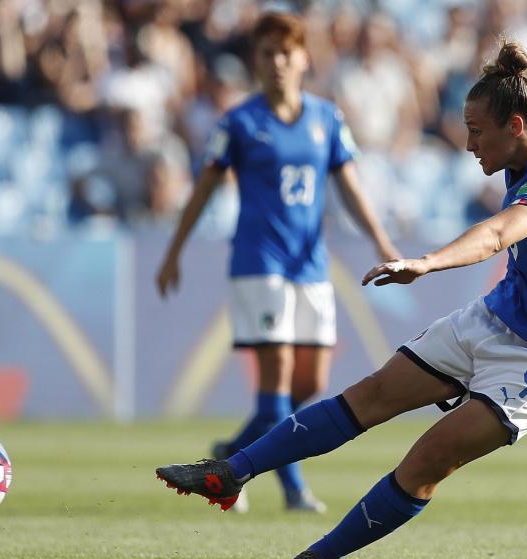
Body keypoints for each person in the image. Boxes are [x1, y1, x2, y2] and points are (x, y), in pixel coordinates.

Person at [156, 37, 527, 559]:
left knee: (429, 459)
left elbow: (498, 234)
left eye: (476, 130)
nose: (466, 142)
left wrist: (429, 262)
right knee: (370, 395)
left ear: (516, 126)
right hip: (499, 315)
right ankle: (231, 471)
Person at [156, 12, 398, 514]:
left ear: (305, 58)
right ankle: (292, 492)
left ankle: (228, 456)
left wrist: (381, 240)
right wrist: (174, 249)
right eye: (267, 53)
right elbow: (203, 188)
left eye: (286, 53)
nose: (277, 63)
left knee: (310, 385)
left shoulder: (326, 118)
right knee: (278, 383)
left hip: (310, 265)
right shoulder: (239, 122)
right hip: (259, 264)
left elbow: (349, 185)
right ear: (256, 60)